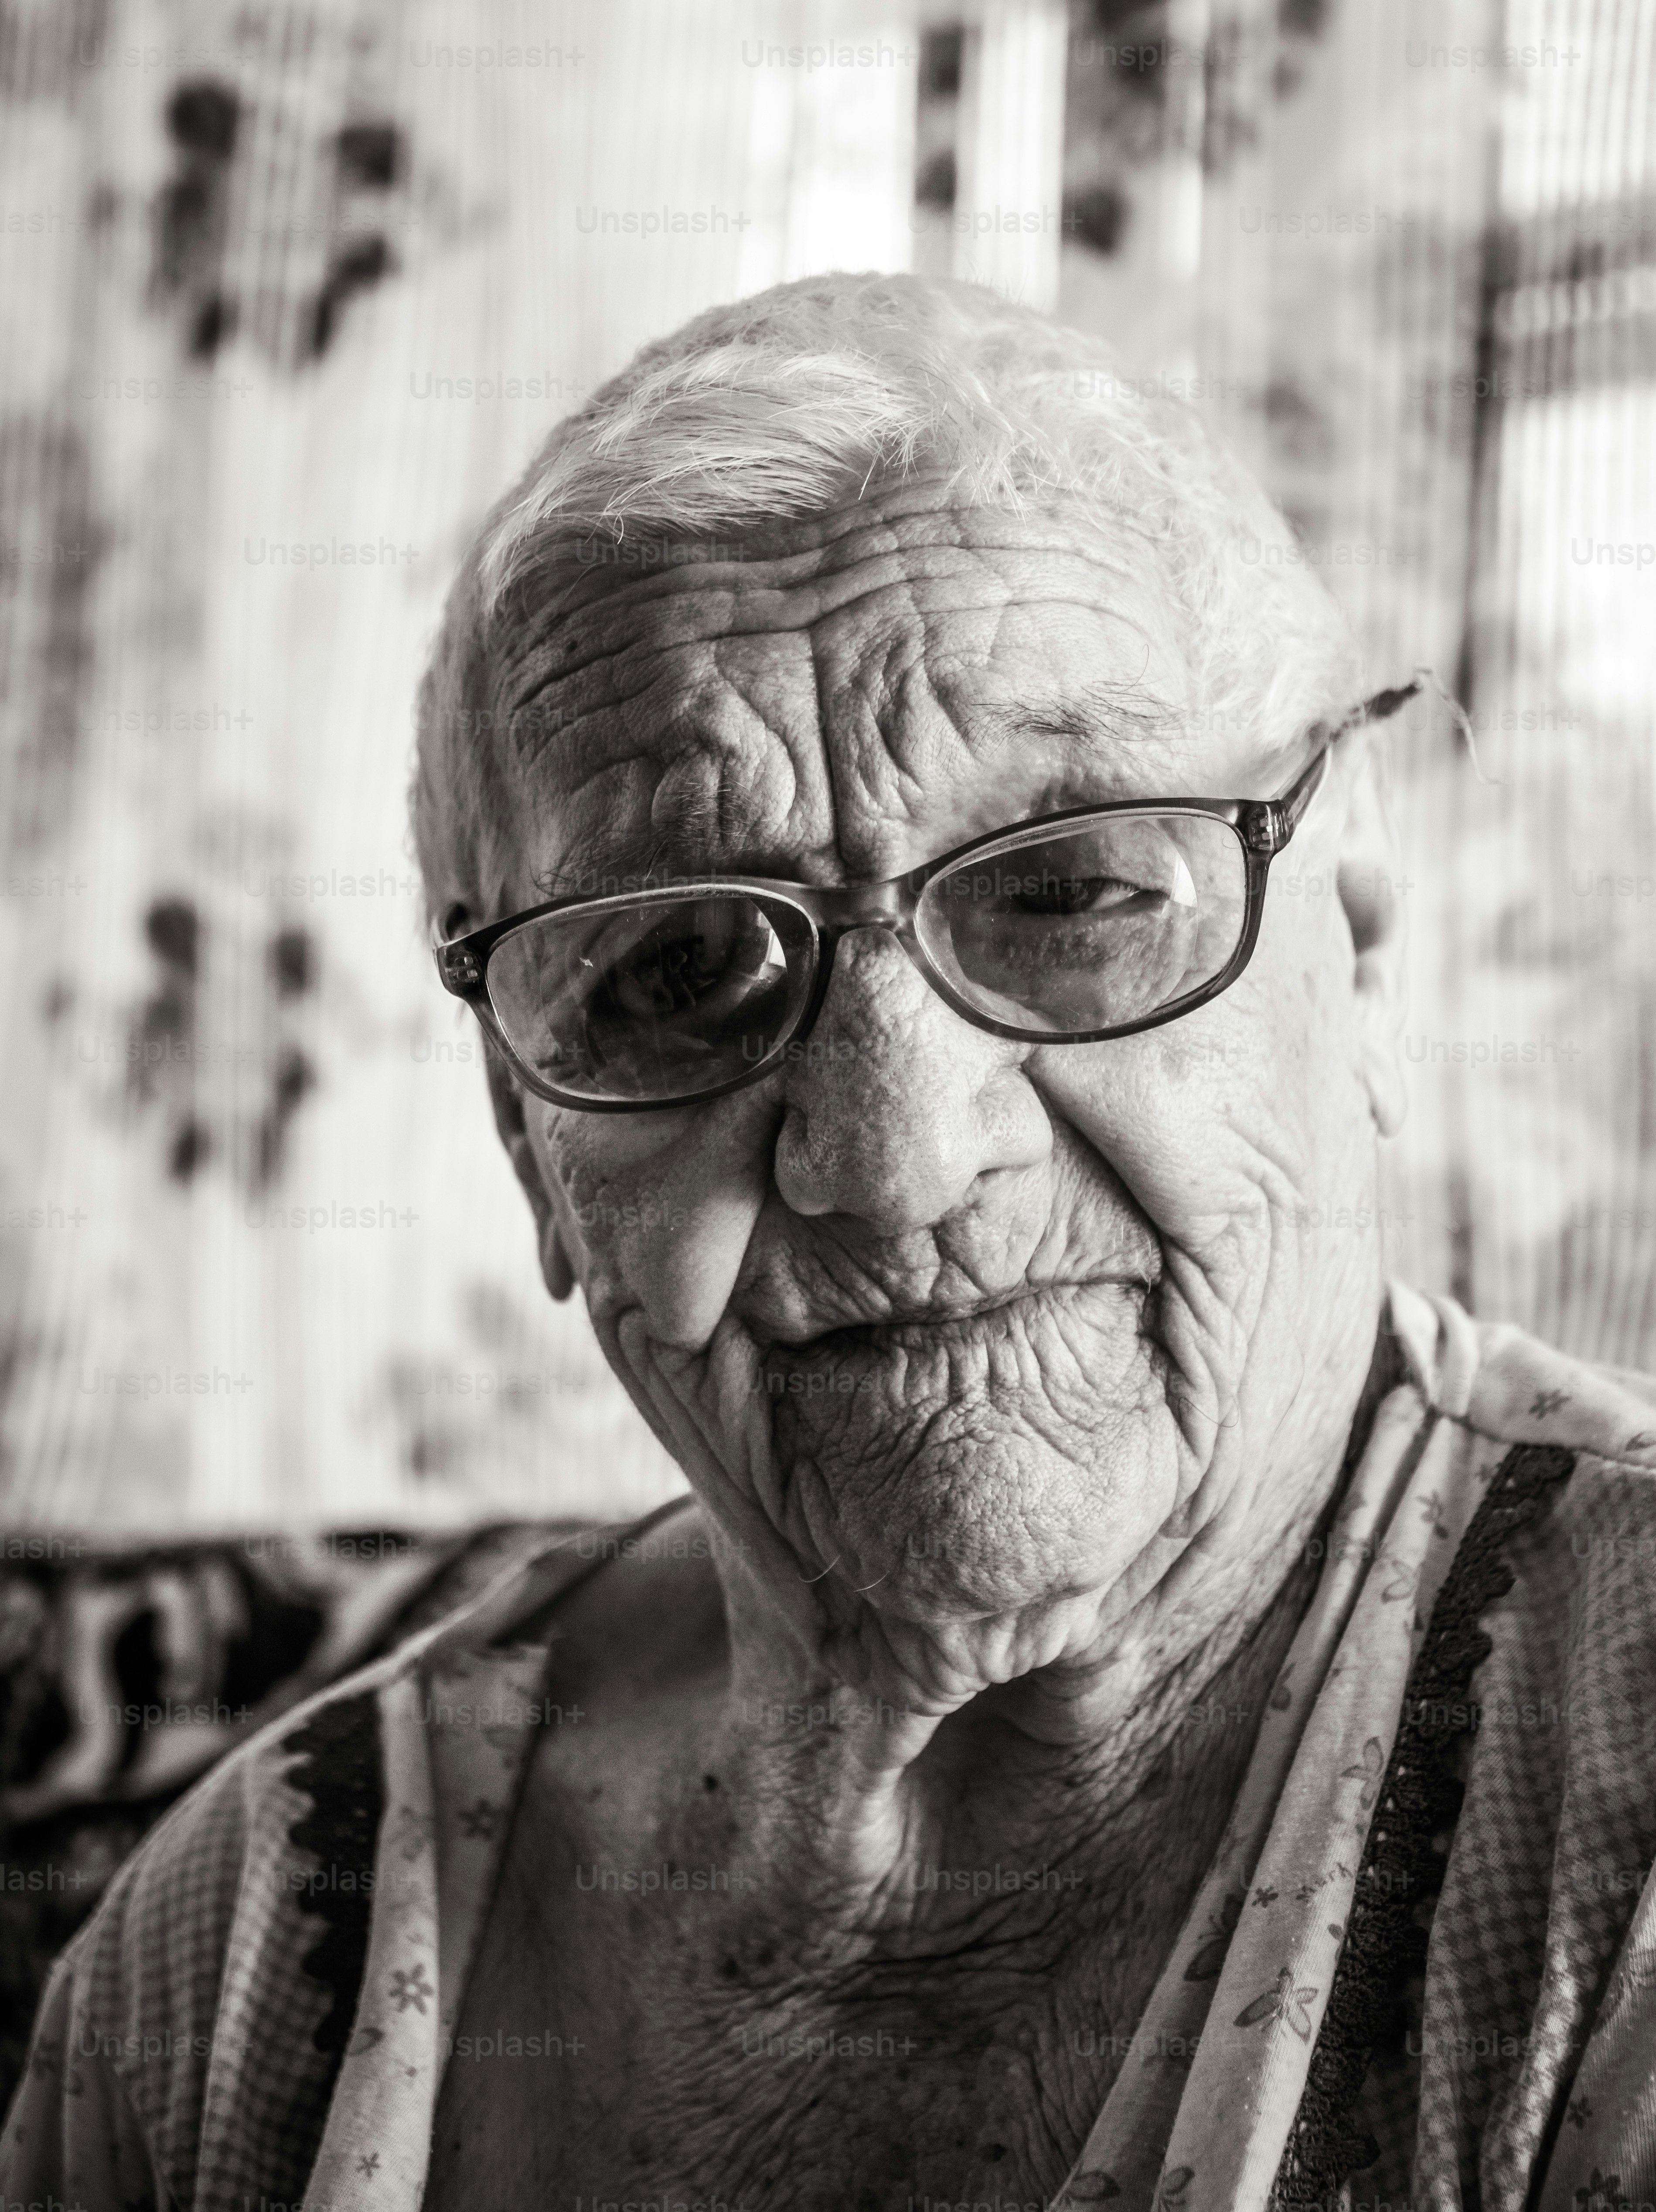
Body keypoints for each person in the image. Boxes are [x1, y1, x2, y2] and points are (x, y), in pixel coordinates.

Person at [7, 270, 1656, 2212]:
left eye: (1071, 892)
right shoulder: (229, 1967)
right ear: (529, 1134)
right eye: (676, 968)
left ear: (1356, 957)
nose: (892, 1159)